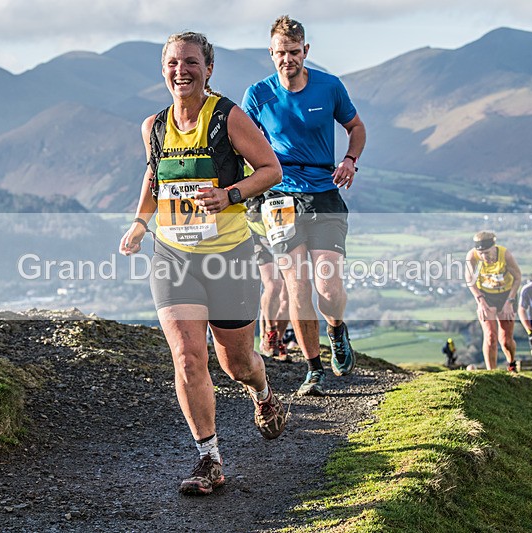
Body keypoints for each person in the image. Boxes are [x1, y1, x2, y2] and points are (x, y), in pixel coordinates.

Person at [119, 31, 285, 496]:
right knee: (188, 356)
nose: (182, 71)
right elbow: (154, 176)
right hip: (173, 258)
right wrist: (139, 223)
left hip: (228, 257)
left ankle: (262, 390)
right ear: (163, 70)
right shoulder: (153, 126)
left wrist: (229, 195)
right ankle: (208, 458)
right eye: (173, 63)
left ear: (208, 69)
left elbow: (271, 170)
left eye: (191, 62)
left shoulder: (228, 118)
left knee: (237, 364)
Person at [242, 15, 366, 396]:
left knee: (329, 286)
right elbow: (240, 142)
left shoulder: (329, 87)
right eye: (281, 53)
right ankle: (314, 370)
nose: (287, 60)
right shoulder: (257, 95)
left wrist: (350, 160)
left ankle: (336, 330)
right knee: (297, 286)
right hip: (279, 199)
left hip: (324, 192)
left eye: (294, 52)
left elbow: (356, 127)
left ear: (305, 51)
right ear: (271, 53)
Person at [465, 231, 522, 371]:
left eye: (487, 252)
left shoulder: (505, 255)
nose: (484, 257)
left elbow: (517, 278)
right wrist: (480, 301)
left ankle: (511, 363)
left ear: (494, 247)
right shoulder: (472, 256)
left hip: (506, 295)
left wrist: (510, 301)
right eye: (481, 253)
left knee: (506, 340)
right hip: (486, 296)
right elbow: (470, 280)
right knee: (490, 336)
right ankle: (492, 372)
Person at [246, 196, 291, 362]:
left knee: (289, 294)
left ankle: (277, 339)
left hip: (285, 235)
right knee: (273, 285)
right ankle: (270, 332)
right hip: (257, 235)